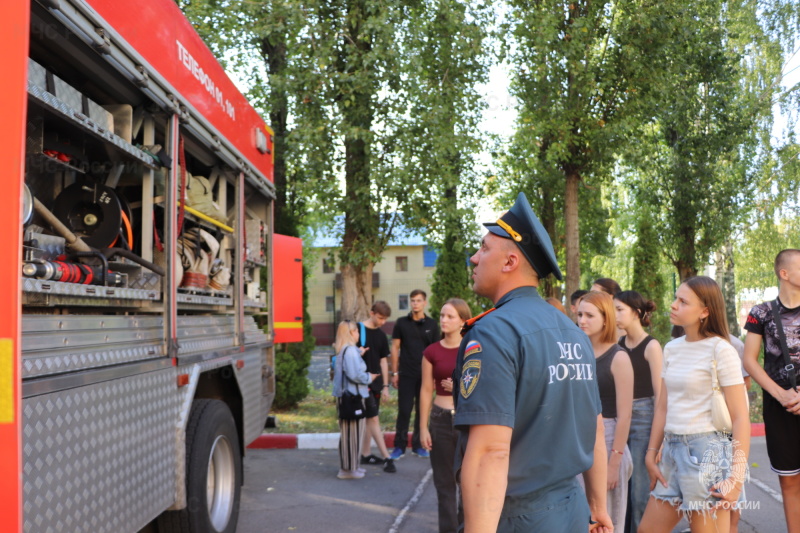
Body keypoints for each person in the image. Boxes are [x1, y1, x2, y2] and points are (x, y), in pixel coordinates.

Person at [453, 192, 613, 532]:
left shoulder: (494, 331)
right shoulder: (572, 333)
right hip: (572, 510)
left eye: (483, 249)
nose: (473, 258)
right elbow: (594, 428)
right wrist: (598, 506)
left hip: (515, 516)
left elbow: (490, 453)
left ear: (510, 262)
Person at [639, 276, 750, 533]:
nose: (674, 304)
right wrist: (650, 453)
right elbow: (664, 406)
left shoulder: (721, 350)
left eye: (683, 301)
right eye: (676, 298)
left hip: (706, 453)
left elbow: (740, 417)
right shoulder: (672, 348)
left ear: (705, 311)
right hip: (671, 452)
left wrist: (735, 479)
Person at [743, 249, 800, 533]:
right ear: (784, 273)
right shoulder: (761, 312)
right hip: (779, 407)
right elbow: (749, 360)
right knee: (789, 480)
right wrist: (781, 395)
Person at [578, 291, 634, 530]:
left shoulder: (619, 357)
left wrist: (614, 463)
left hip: (610, 439)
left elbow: (625, 415)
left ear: (606, 318)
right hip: (580, 440)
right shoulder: (577, 353)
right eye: (579, 314)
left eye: (589, 315)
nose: (582, 320)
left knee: (608, 521)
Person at [420, 298, 471, 533]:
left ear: (463, 321)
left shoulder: (473, 349)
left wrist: (459, 386)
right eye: (441, 315)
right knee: (444, 484)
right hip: (440, 419)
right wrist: (422, 428)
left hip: (466, 421)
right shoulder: (431, 351)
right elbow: (426, 389)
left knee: (467, 483)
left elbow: (484, 385)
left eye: (450, 316)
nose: (443, 320)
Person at [613, 290, 662, 533]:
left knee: (641, 493)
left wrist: (660, 439)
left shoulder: (651, 345)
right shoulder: (618, 344)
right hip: (619, 416)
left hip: (645, 417)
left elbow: (660, 394)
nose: (615, 315)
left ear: (637, 313)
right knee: (622, 488)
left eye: (619, 309)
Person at [390, 289, 439, 459]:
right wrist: (394, 372)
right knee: (404, 410)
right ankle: (399, 446)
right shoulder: (401, 323)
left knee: (422, 410)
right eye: (413, 301)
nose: (415, 303)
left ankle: (419, 446)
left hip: (426, 375)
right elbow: (395, 348)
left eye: (418, 300)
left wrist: (435, 376)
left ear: (425, 303)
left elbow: (436, 352)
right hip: (406, 373)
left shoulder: (432, 325)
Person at [332, 320, 379, 479]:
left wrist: (359, 354)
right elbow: (354, 374)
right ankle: (348, 470)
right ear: (351, 333)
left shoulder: (347, 350)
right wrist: (369, 377)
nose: (359, 334)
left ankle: (352, 467)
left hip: (348, 397)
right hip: (351, 398)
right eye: (357, 331)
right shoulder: (350, 351)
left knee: (351, 433)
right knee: (352, 434)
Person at [357, 301, 397, 473]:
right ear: (371, 313)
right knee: (373, 419)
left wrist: (386, 386)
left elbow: (383, 360)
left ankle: (366, 454)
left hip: (376, 384)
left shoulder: (381, 336)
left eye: (385, 319)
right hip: (361, 383)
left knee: (369, 420)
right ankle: (387, 457)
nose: (382, 322)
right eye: (380, 318)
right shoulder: (357, 330)